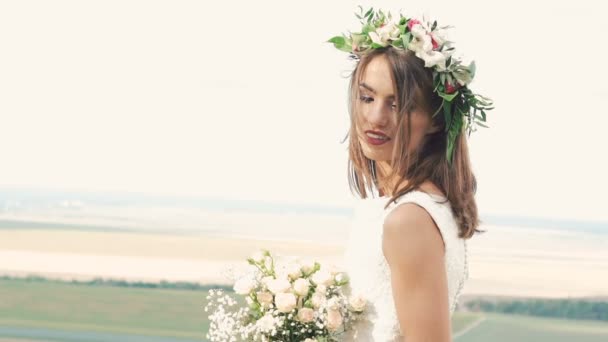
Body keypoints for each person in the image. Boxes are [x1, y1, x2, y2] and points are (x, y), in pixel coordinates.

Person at [328, 8, 493, 341]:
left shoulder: (409, 220)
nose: (375, 117)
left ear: (434, 119)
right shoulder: (414, 206)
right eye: (367, 97)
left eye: (398, 104)